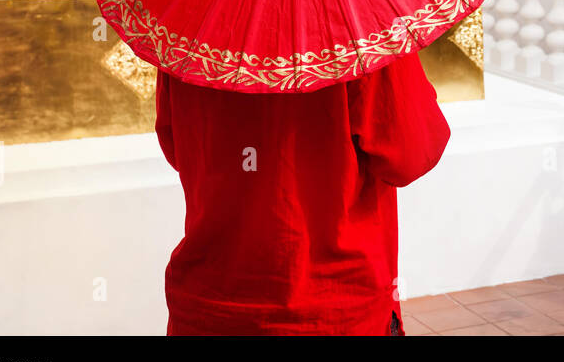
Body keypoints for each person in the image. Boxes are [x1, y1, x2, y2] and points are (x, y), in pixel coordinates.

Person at [153, 50, 450, 335]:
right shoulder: (369, 32)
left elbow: (176, 148)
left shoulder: (185, 36)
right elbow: (412, 155)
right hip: (335, 307)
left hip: (210, 306)